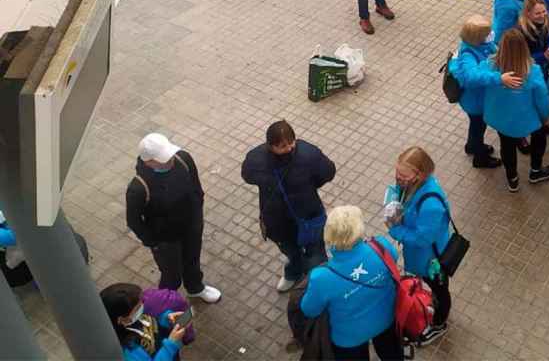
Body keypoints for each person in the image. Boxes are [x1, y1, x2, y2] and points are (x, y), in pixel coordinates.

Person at [241, 120, 337, 292]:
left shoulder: (308, 154)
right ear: (271, 146)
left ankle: (318, 287)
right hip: (277, 221)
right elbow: (247, 175)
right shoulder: (256, 159)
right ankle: (293, 273)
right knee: (291, 251)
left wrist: (307, 186)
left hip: (309, 216)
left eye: (291, 142)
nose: (290, 148)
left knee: (315, 254)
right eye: (283, 146)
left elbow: (328, 171)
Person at [126, 133, 222, 303]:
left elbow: (196, 188)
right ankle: (166, 302)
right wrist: (153, 242)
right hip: (165, 240)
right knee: (172, 274)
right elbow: (134, 221)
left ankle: (195, 287)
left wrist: (197, 217)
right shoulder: (138, 187)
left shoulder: (183, 159)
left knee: (192, 259)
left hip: (190, 227)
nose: (170, 160)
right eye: (163, 158)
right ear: (149, 161)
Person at [300, 206, 403, 361]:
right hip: (386, 319)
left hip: (348, 338)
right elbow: (393, 263)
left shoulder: (321, 278)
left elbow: (309, 310)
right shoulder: (382, 247)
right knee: (392, 355)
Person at [386, 147, 452, 345]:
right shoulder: (414, 185)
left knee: (440, 289)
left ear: (420, 174)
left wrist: (394, 230)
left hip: (432, 259)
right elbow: (398, 192)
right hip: (422, 255)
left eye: (403, 175)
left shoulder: (431, 204)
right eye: (397, 172)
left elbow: (423, 238)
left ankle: (439, 324)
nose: (398, 178)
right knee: (434, 286)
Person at [483, 29, 549, 191]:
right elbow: (542, 98)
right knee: (539, 139)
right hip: (528, 119)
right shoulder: (532, 71)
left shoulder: (490, 65)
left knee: (507, 146)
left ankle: (512, 180)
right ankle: (536, 172)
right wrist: (544, 117)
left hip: (501, 118)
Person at [450, 15, 520, 169]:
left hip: (477, 99)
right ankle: (479, 158)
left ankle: (472, 146)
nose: (492, 34)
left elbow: (494, 51)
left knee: (476, 127)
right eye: (488, 33)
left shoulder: (479, 45)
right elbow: (472, 77)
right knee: (478, 127)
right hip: (476, 104)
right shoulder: (468, 55)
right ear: (478, 38)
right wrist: (499, 79)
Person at [100, 283, 189, 361]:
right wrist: (170, 345)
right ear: (120, 319)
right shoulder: (127, 352)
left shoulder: (132, 317)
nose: (143, 305)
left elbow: (151, 322)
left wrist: (167, 318)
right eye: (138, 308)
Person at [517, 0, 549, 136]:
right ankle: (522, 135)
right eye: (537, 13)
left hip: (543, 67)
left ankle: (542, 122)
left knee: (541, 97)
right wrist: (543, 56)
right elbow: (522, 58)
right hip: (529, 72)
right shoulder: (520, 31)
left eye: (544, 11)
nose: (542, 15)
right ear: (528, 13)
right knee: (527, 100)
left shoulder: (547, 21)